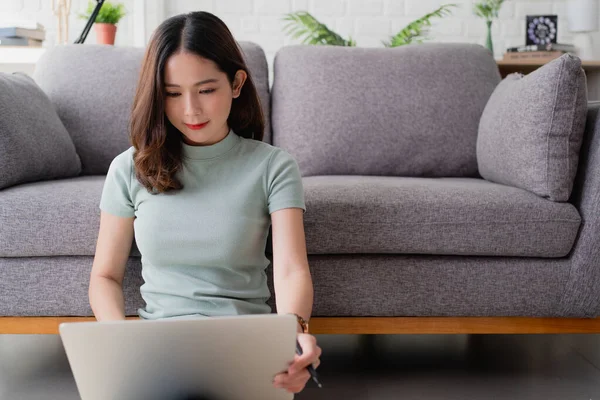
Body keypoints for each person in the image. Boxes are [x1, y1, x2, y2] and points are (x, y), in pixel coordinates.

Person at [88, 11, 321, 395]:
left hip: (247, 346)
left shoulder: (273, 166)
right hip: (157, 349)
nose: (190, 110)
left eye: (206, 90)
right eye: (173, 93)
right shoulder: (128, 168)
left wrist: (294, 335)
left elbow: (291, 269)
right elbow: (105, 276)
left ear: (236, 83)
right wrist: (119, 343)